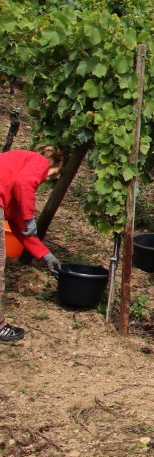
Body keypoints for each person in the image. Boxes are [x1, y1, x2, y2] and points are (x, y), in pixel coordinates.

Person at [0, 146, 64, 342]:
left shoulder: (15, 167)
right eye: (55, 174)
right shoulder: (39, 161)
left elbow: (20, 227)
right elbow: (24, 183)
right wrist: (30, 217)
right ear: (53, 163)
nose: (50, 179)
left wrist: (45, 255)